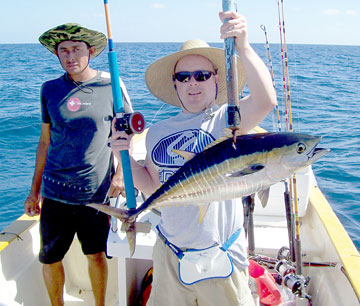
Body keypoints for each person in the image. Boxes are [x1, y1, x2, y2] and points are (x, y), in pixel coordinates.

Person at [109, 11, 277, 306]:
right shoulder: (156, 132)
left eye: (202, 75)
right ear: (174, 84)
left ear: (216, 80)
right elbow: (152, 187)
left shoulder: (228, 120)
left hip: (221, 255)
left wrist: (244, 46)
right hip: (170, 254)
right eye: (183, 77)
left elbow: (266, 101)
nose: (192, 83)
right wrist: (121, 153)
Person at [24, 23, 133, 306]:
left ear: (91, 51)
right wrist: (34, 191)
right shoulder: (49, 90)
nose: (70, 56)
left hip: (95, 194)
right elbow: (44, 142)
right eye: (64, 51)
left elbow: (128, 133)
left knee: (96, 255)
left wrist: (121, 173)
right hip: (55, 192)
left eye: (76, 49)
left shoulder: (112, 86)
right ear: (57, 55)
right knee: (49, 258)